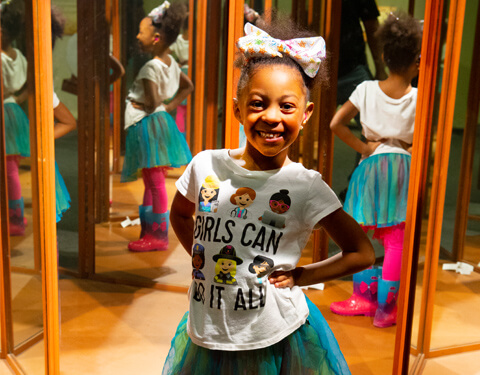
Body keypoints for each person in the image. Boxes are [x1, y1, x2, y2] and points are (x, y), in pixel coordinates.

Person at [163, 17, 375, 374]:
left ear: (306, 114)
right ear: (238, 108)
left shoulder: (304, 185)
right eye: (258, 103)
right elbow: (181, 215)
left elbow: (362, 252)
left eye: (287, 106)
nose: (272, 117)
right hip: (208, 330)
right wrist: (203, 259)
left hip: (273, 336)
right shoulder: (204, 165)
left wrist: (301, 276)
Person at [329, 13, 422, 328]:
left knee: (361, 231)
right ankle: (387, 309)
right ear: (418, 62)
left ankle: (362, 298)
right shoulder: (419, 98)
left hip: (371, 165)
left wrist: (364, 148)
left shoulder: (366, 89)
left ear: (383, 56)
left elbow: (336, 124)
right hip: (403, 167)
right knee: (396, 238)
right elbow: (423, 138)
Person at [121, 1, 193, 252]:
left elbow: (150, 103)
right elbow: (187, 86)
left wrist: (145, 102)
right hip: (161, 123)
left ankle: (159, 236)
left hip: (148, 125)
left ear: (156, 37)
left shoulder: (151, 66)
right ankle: (149, 230)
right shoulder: (171, 62)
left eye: (142, 32)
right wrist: (170, 104)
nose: (138, 36)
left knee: (155, 183)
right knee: (153, 179)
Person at [1, 1, 30, 235]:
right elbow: (27, 87)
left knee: (9, 170)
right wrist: (14, 100)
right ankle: (15, 215)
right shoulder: (19, 55)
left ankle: (16, 219)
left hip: (4, 114)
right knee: (12, 168)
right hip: (14, 112)